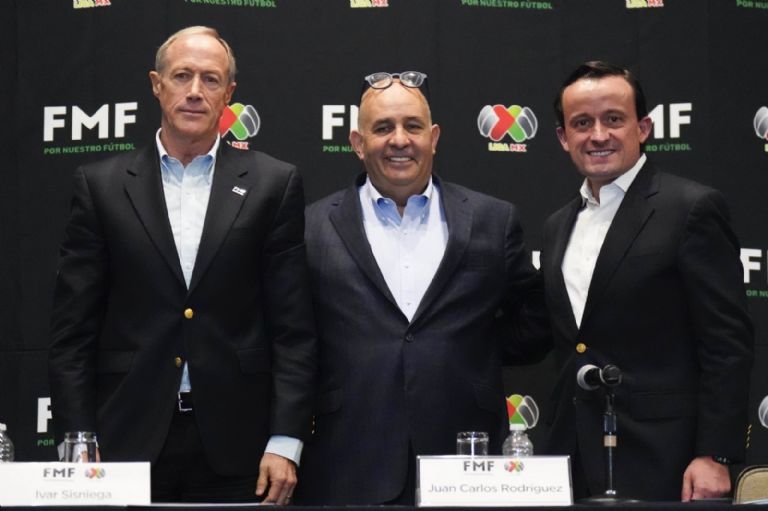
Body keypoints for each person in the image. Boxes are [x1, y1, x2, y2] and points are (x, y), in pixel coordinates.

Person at [48, 26, 316, 504]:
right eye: (182, 76)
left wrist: (285, 440)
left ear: (229, 94)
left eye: (211, 79)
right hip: (123, 440)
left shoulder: (273, 185)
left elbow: (293, 329)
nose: (195, 91)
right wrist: (76, 438)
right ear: (157, 85)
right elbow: (72, 334)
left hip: (242, 446)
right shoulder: (101, 186)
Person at [297, 71, 549, 504]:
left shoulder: (493, 220)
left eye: (412, 126)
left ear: (434, 138)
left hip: (465, 457)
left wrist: (468, 349)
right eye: (383, 128)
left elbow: (534, 322)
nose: (400, 140)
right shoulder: (310, 227)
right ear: (357, 143)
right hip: (348, 460)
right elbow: (294, 339)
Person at [540, 60, 754, 501]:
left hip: (666, 460)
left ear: (643, 128)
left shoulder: (691, 208)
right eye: (582, 123)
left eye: (613, 119)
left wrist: (715, 453)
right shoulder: (557, 225)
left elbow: (727, 343)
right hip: (572, 457)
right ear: (563, 137)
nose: (598, 135)